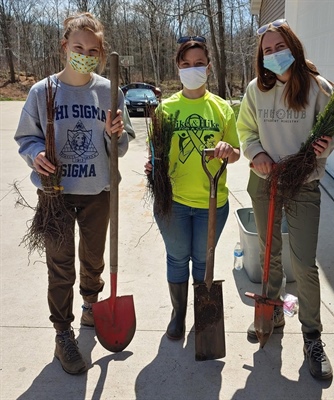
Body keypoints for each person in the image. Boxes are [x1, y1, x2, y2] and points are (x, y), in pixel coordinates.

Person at [14, 12, 135, 374]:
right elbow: (26, 137)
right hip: (56, 195)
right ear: (64, 46)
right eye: (78, 46)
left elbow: (123, 144)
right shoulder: (42, 91)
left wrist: (115, 134)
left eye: (93, 49)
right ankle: (62, 332)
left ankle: (90, 306)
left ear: (101, 53)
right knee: (60, 266)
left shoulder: (107, 90)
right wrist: (35, 153)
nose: (85, 53)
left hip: (98, 191)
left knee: (93, 260)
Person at [237, 19, 334, 380]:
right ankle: (272, 311)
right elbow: (245, 129)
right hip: (265, 181)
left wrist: (326, 145)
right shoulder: (256, 90)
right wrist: (255, 154)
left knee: (304, 263)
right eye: (267, 50)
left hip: (303, 184)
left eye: (279, 47)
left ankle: (312, 336)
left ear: (294, 49)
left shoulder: (318, 88)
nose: (273, 54)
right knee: (269, 253)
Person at [144, 36, 240, 341]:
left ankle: (202, 312)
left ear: (209, 68)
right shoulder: (165, 110)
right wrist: (152, 168)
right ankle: (179, 314)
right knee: (176, 258)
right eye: (186, 64)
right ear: (178, 68)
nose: (192, 69)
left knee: (203, 260)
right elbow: (155, 155)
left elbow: (236, 153)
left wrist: (227, 150)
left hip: (212, 202)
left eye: (199, 64)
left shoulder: (222, 109)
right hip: (173, 202)